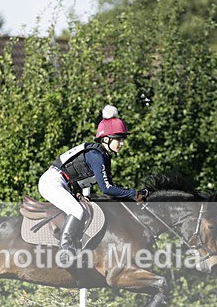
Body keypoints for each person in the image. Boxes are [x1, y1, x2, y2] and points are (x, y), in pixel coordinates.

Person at [38, 105, 147, 260]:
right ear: (106, 139)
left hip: (63, 183)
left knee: (86, 208)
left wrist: (85, 196)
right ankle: (65, 250)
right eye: (119, 139)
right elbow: (106, 188)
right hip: (52, 182)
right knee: (77, 210)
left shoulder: (102, 155)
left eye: (122, 140)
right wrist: (133, 194)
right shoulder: (96, 156)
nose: (122, 143)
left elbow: (88, 182)